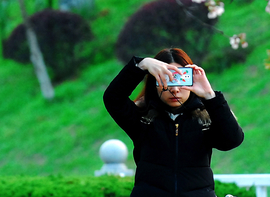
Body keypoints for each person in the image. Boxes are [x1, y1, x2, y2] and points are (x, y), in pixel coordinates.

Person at [103, 47, 244, 197]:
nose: (175, 89)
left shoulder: (206, 117)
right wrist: (142, 65)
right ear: (155, 82)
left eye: (181, 79)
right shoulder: (142, 117)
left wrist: (210, 96)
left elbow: (231, 141)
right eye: (167, 79)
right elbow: (113, 99)